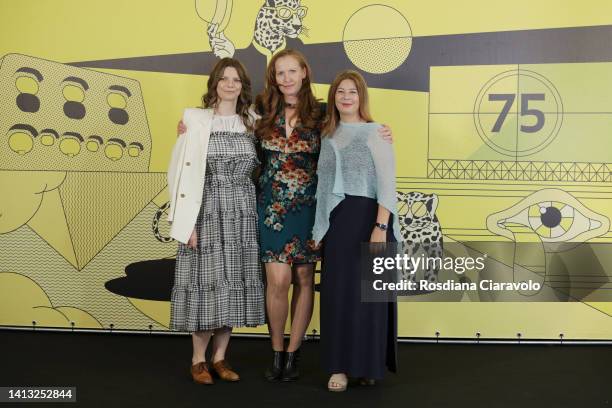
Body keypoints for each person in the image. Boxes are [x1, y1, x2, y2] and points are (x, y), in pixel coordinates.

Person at [177, 49, 393, 382]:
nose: (287, 78)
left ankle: (293, 354)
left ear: (305, 73)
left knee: (304, 279)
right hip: (271, 207)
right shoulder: (259, 110)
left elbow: (352, 134)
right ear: (273, 78)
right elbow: (221, 121)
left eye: (293, 71)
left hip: (312, 207)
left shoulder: (323, 113)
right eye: (280, 73)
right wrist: (190, 129)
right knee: (277, 281)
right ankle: (276, 351)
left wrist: (379, 132)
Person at [167, 57, 265, 385]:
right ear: (214, 83)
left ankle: (221, 359)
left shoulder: (253, 120)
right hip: (206, 210)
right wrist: (186, 223)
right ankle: (198, 361)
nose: (230, 84)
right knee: (205, 286)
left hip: (242, 211)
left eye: (236, 79)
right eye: (224, 79)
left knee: (232, 285)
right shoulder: (194, 119)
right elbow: (179, 173)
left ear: (243, 85)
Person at [312, 70, 401, 392]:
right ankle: (339, 368)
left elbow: (388, 184)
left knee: (371, 299)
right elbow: (323, 186)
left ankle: (368, 365)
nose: (346, 96)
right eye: (340, 92)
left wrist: (381, 227)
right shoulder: (328, 134)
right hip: (339, 223)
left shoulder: (377, 132)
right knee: (338, 297)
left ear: (361, 96)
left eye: (352, 91)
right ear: (333, 98)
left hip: (371, 219)